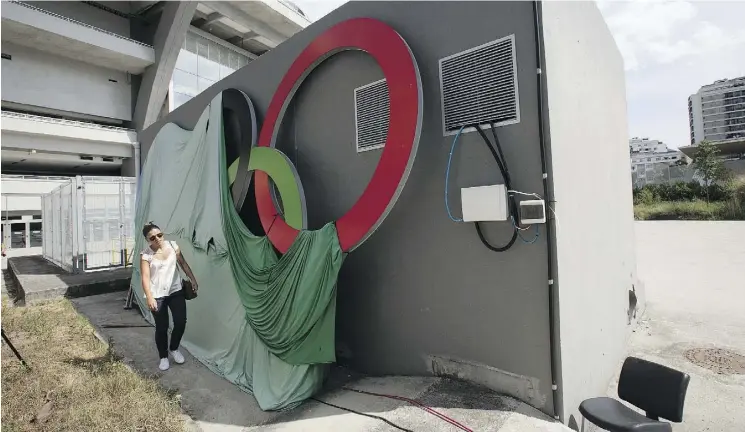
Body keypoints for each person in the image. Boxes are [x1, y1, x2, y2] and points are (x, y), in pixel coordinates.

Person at [140, 222, 198, 371]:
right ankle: (163, 357)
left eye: (159, 235)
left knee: (180, 321)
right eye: (152, 238)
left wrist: (192, 279)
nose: (157, 239)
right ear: (148, 240)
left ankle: (174, 348)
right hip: (157, 295)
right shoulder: (146, 255)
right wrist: (149, 297)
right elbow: (145, 278)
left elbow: (183, 263)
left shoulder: (173, 246)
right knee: (162, 327)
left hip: (175, 290)